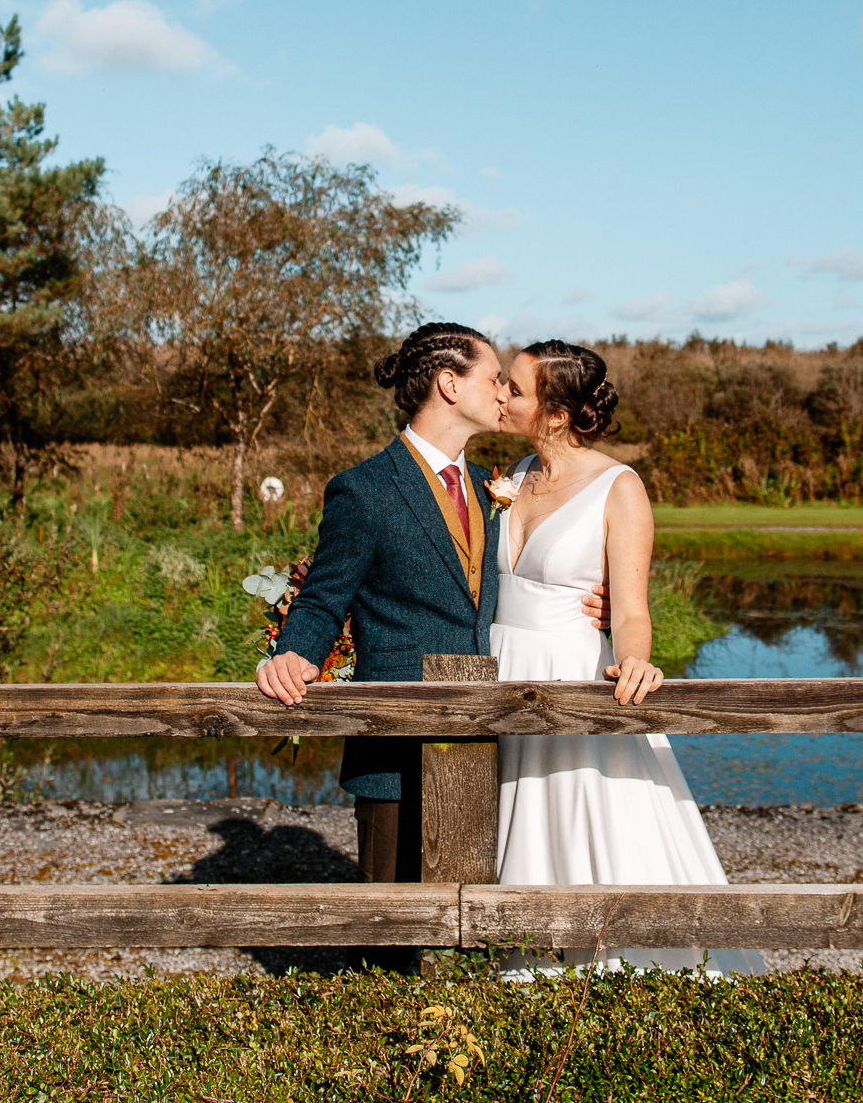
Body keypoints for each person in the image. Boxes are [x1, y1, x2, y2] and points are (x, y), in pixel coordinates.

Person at [255, 322, 609, 969]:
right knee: (392, 931)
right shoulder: (363, 489)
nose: (505, 392)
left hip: (490, 734)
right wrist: (294, 654)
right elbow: (324, 597)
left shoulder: (494, 488)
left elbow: (531, 579)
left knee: (473, 917)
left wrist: (593, 607)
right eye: (494, 377)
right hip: (395, 738)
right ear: (450, 384)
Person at [491, 339, 765, 978]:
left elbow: (633, 609)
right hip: (501, 674)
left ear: (556, 414)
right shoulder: (507, 475)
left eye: (514, 387)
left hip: (572, 672)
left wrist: (634, 660)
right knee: (511, 815)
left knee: (592, 818)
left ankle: (619, 970)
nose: (500, 395)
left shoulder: (619, 487)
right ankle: (514, 957)